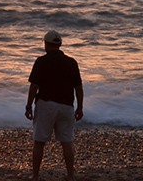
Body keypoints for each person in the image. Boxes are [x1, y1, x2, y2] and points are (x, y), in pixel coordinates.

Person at [25, 30, 84, 181]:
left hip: (46, 105)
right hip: (66, 106)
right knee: (67, 142)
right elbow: (78, 88)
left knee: (39, 142)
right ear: (60, 45)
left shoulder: (41, 61)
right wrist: (80, 108)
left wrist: (28, 106)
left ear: (46, 44)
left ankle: (36, 176)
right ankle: (70, 176)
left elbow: (34, 87)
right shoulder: (71, 62)